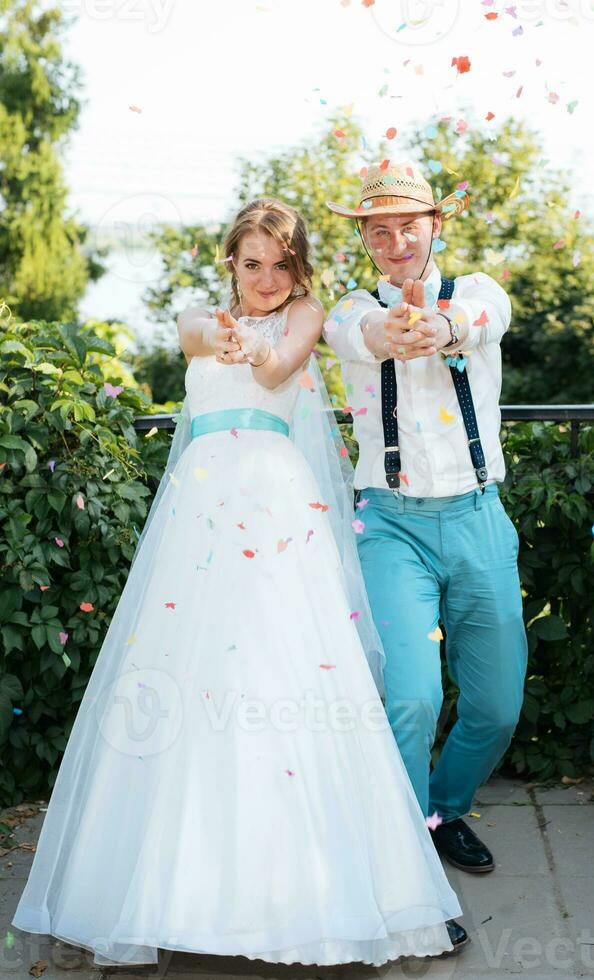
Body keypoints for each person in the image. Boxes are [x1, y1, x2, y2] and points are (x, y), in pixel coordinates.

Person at [11, 198, 468, 968]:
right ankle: (177, 887)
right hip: (199, 512)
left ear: (298, 269)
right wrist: (216, 333)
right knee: (187, 671)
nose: (266, 277)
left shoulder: (309, 316)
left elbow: (283, 363)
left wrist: (245, 345)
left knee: (277, 664)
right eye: (252, 263)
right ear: (231, 262)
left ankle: (308, 891)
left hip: (273, 504)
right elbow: (195, 333)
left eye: (281, 264)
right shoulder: (199, 320)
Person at [326, 161, 529, 876]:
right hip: (389, 527)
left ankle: (442, 807)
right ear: (367, 240)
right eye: (379, 231)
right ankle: (409, 850)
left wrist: (438, 325)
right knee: (410, 698)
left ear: (433, 225)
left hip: (478, 517)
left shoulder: (477, 293)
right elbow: (363, 335)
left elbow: (481, 321)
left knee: (498, 706)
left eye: (407, 226)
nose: (395, 241)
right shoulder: (348, 307)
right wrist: (395, 326)